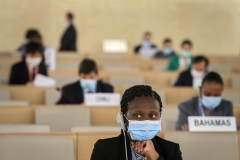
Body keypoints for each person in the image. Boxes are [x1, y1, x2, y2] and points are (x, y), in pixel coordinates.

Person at [91, 85, 182, 160]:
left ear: (160, 116)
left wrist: (155, 158)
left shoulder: (171, 150)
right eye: (138, 115)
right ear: (123, 118)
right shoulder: (104, 148)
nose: (146, 121)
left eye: (152, 116)